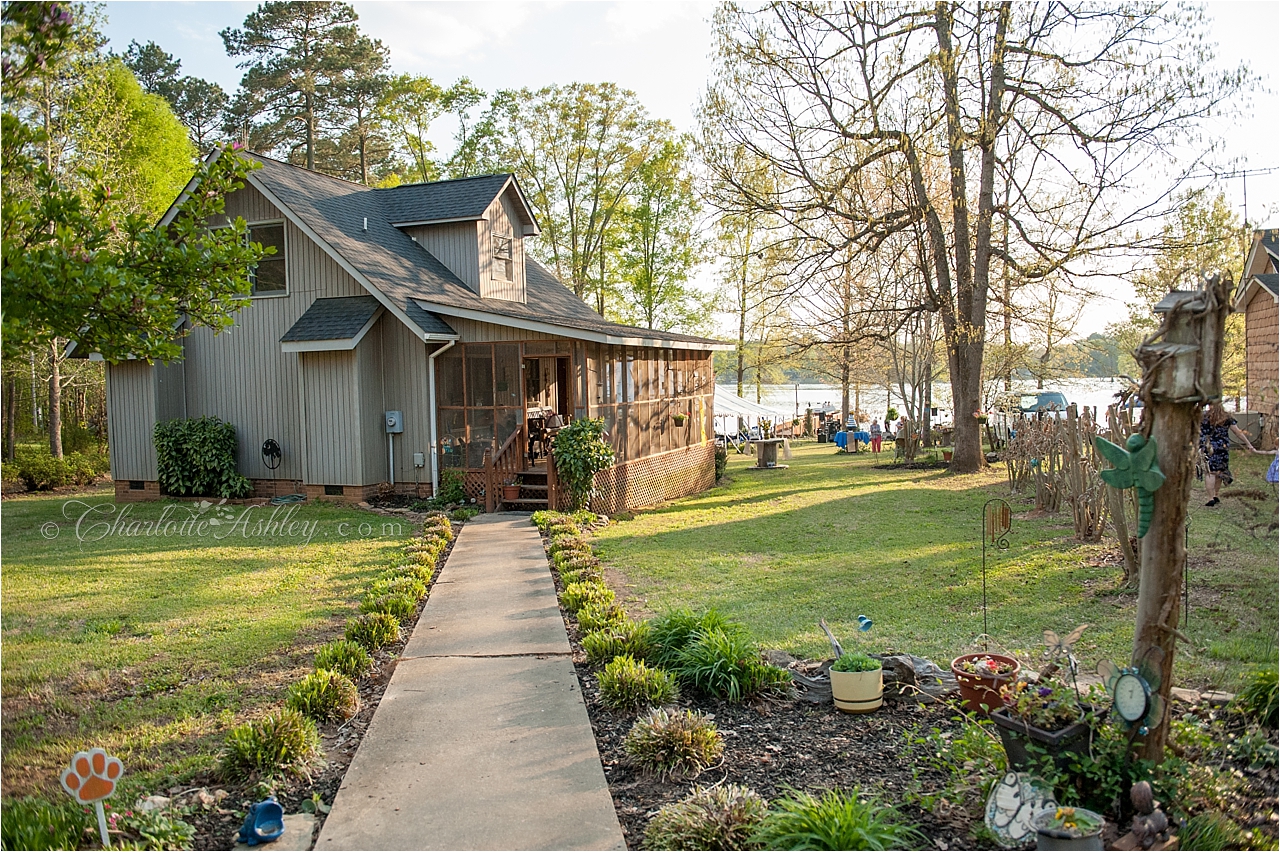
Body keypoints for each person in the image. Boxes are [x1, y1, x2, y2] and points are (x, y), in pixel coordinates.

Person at [1198, 401, 1258, 507]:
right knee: (1220, 471)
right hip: (1222, 447)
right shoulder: (1226, 417)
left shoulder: (1203, 416)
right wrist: (1249, 444)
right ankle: (1216, 495)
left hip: (1207, 447)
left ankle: (1210, 498)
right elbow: (1237, 432)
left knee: (1210, 472)